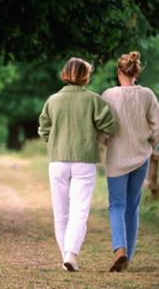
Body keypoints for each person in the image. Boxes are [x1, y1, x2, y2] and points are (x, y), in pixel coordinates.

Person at [38, 57, 115, 271]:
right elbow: (110, 125)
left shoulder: (53, 100)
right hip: (84, 160)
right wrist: (95, 132)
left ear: (65, 74)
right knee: (79, 211)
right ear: (85, 76)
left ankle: (67, 257)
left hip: (58, 160)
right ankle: (70, 255)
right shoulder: (93, 100)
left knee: (61, 212)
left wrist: (55, 140)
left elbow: (43, 129)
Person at [102, 51, 159, 272]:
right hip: (140, 158)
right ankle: (128, 255)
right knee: (132, 207)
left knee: (117, 205)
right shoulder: (147, 94)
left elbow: (102, 126)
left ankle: (120, 249)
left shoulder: (108, 95)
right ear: (136, 72)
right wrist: (149, 146)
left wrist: (103, 142)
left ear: (120, 71)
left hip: (117, 159)